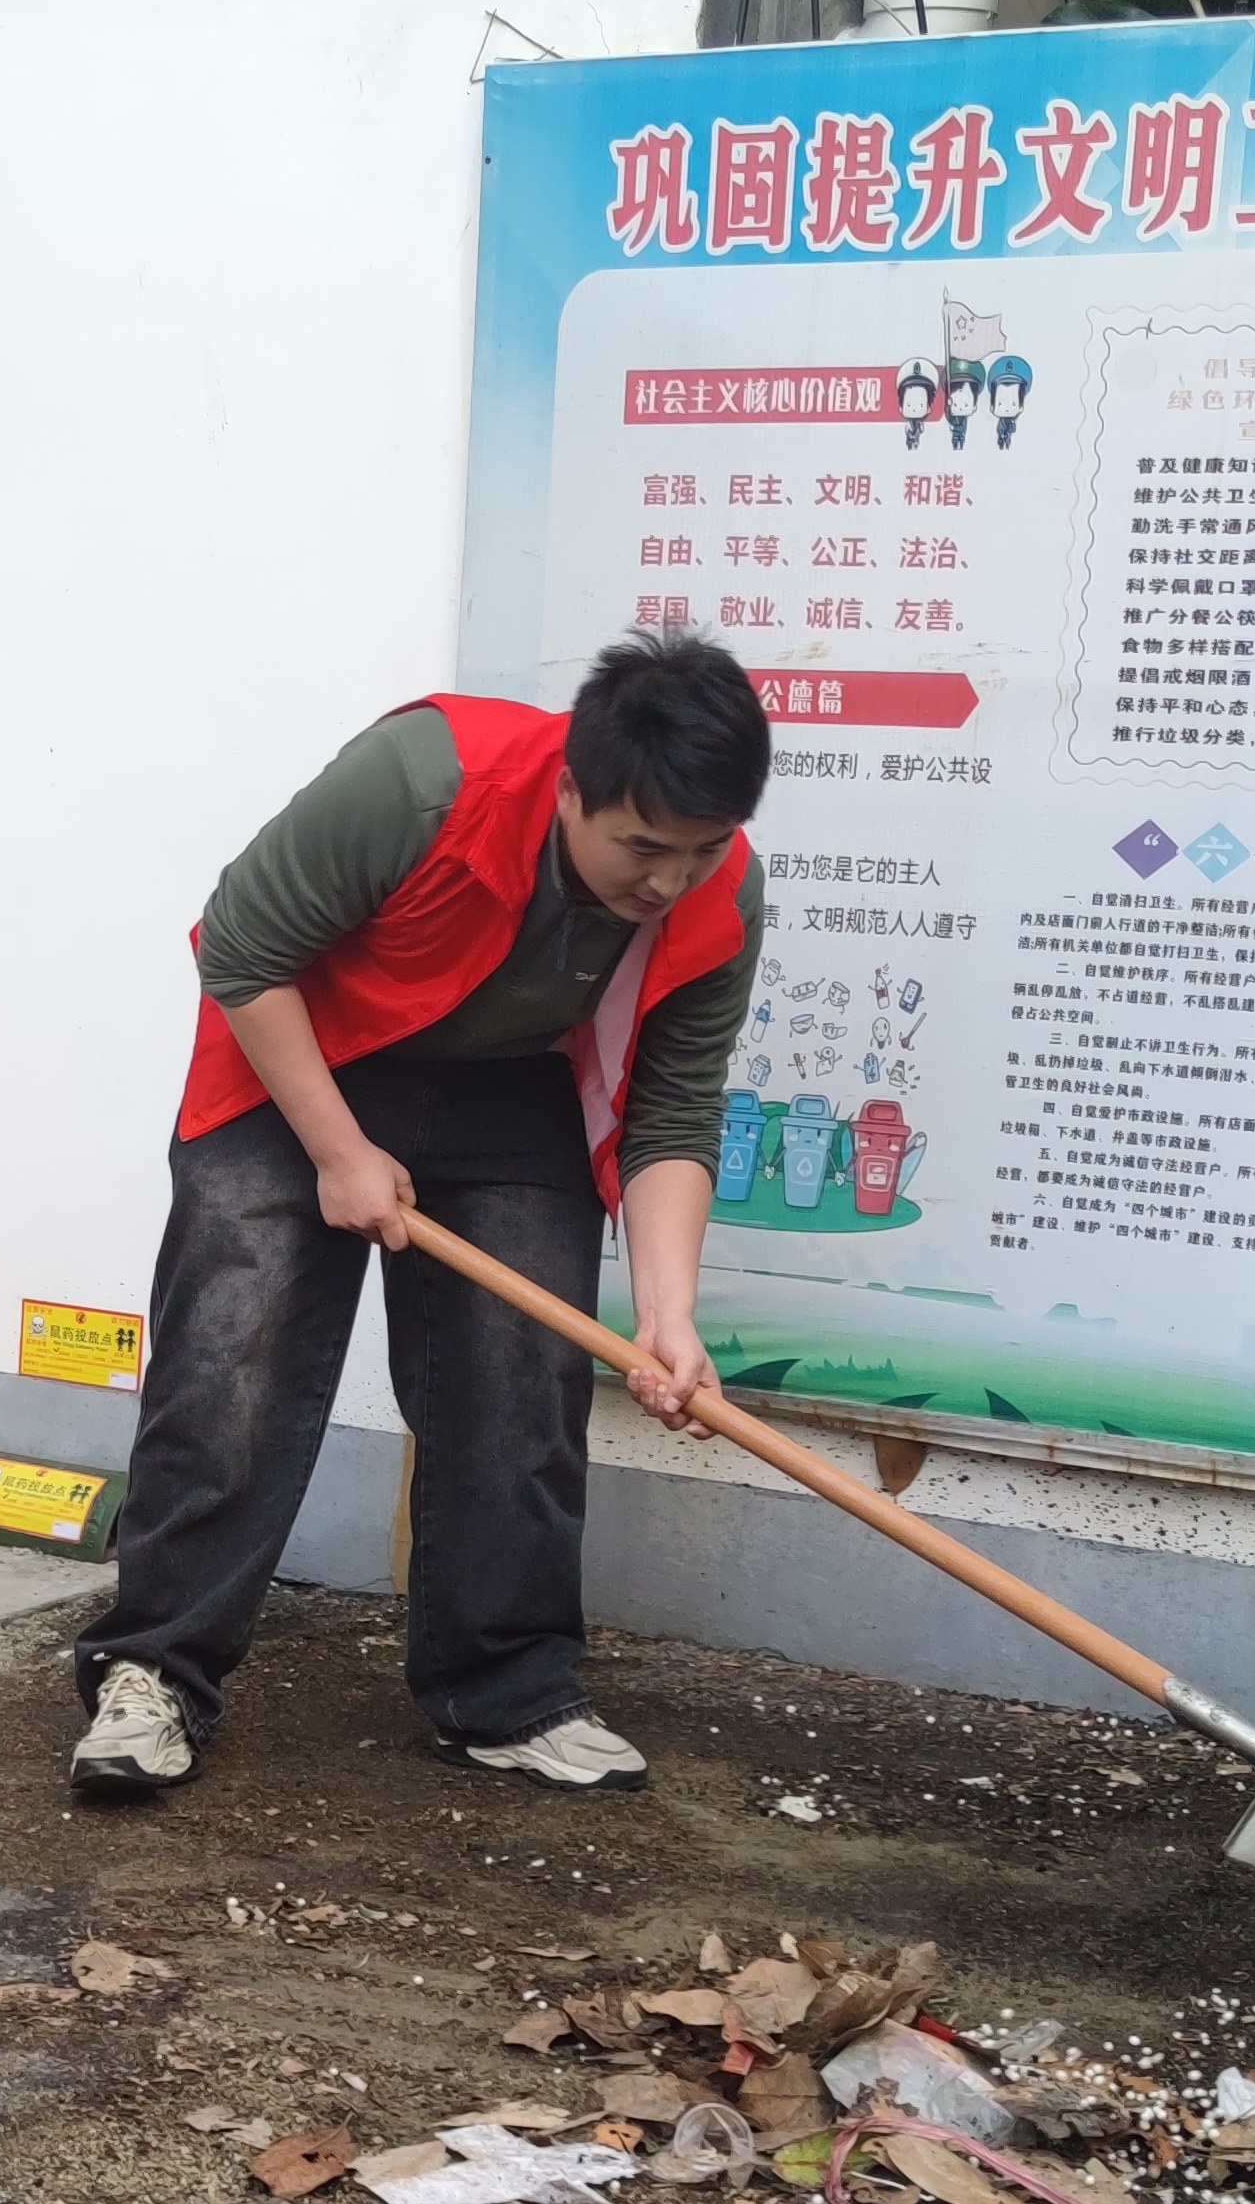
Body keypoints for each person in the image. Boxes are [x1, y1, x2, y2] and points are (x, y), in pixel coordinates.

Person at [68, 633, 769, 1801]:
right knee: (230, 1363)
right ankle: (151, 1672)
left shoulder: (717, 895)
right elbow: (239, 948)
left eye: (697, 853)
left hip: (505, 1087)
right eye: (640, 847)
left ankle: (508, 1691)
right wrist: (338, 1153)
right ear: (567, 789)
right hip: (300, 1055)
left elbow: (670, 1116)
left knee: (521, 1376)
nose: (665, 882)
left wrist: (666, 1315)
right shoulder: (424, 779)